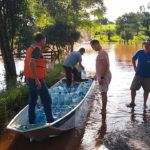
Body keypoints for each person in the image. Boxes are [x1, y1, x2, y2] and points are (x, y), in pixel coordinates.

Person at [23, 33, 54, 124]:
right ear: (41, 40)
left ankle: (31, 121)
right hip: (36, 80)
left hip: (29, 78)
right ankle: (50, 121)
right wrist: (37, 79)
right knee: (47, 100)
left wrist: (45, 61)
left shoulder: (30, 48)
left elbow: (32, 61)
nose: (45, 42)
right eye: (45, 40)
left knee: (32, 100)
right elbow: (32, 63)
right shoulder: (37, 49)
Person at [127, 38, 150, 108]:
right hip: (138, 75)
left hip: (148, 76)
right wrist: (134, 67)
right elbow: (133, 58)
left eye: (148, 44)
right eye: (145, 44)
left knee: (147, 90)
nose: (146, 45)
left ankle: (144, 104)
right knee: (132, 88)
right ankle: (132, 102)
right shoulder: (140, 52)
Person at [90, 40, 111, 113]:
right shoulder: (100, 53)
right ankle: (103, 109)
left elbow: (106, 66)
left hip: (104, 76)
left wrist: (102, 77)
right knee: (103, 93)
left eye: (92, 46)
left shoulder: (102, 53)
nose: (93, 48)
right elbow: (100, 66)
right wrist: (96, 75)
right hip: (102, 75)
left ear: (97, 44)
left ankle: (104, 110)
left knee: (103, 93)